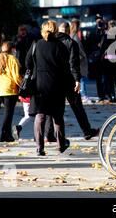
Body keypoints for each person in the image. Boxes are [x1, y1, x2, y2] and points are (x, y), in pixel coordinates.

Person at [45, 22, 99, 141]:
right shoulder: (71, 43)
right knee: (77, 107)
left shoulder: (51, 42)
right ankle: (87, 131)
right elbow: (73, 63)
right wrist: (77, 80)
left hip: (54, 80)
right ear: (69, 31)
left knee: (53, 108)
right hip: (69, 80)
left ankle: (49, 134)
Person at [26, 20, 71, 156]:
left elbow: (27, 62)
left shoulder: (36, 45)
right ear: (56, 30)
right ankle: (61, 145)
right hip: (56, 85)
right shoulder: (60, 46)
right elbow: (65, 68)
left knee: (40, 116)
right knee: (57, 116)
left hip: (39, 85)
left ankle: (40, 148)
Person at [0, 41, 22, 142]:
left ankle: (4, 134)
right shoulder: (13, 59)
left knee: (5, 113)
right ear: (12, 49)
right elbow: (16, 76)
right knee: (8, 114)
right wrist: (22, 85)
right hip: (10, 90)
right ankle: (5, 134)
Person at [70, 19, 90, 103]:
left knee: (79, 79)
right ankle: (83, 95)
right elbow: (78, 50)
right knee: (81, 79)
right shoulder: (75, 37)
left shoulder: (72, 36)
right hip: (79, 62)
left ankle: (82, 95)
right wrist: (82, 57)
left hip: (78, 61)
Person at [103, 20, 116, 103]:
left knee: (109, 79)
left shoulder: (106, 36)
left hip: (108, 60)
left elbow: (103, 48)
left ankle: (111, 96)